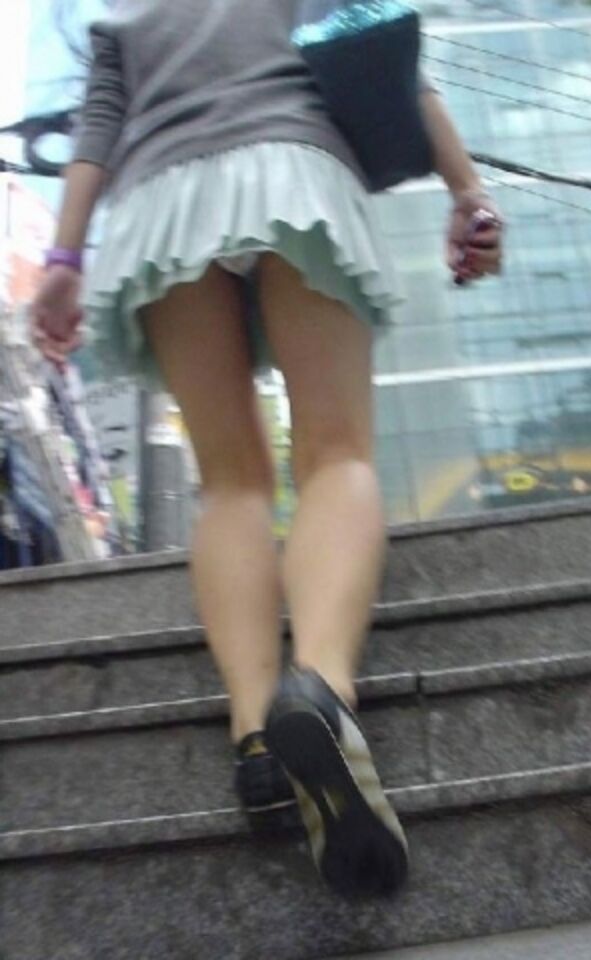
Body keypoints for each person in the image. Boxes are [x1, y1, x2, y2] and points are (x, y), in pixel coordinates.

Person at [30, 0, 504, 898]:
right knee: (335, 452)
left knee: (230, 483)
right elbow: (392, 60)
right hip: (294, 166)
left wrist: (63, 261)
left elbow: (98, 128)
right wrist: (467, 193)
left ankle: (255, 736)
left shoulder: (118, 12)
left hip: (158, 197)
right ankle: (320, 687)